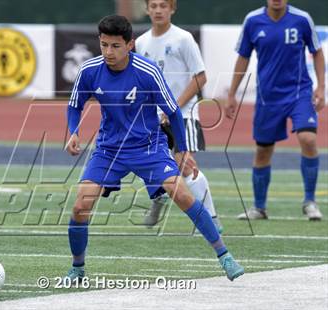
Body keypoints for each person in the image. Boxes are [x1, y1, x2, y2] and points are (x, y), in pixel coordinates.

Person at [65, 14, 244, 282]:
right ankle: (77, 267)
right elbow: (74, 104)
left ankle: (225, 255)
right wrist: (73, 132)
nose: (108, 52)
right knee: (80, 206)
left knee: (181, 194)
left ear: (130, 45)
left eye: (115, 46)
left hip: (148, 147)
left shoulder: (147, 71)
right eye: (103, 45)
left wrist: (181, 150)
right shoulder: (90, 70)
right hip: (108, 149)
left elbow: (172, 112)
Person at [226, 0, 325, 220]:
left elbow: (317, 52)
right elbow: (243, 57)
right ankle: (259, 208)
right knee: (263, 151)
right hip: (268, 97)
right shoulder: (252, 21)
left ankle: (310, 201)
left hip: (299, 92)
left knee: (308, 139)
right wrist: (232, 93)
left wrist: (321, 86)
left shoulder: (302, 19)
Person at [135, 0, 222, 232]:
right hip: (153, 118)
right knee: (150, 165)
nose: (158, 10)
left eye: (163, 5)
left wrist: (172, 106)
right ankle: (159, 197)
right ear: (146, 9)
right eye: (153, 6)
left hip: (183, 114)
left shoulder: (183, 39)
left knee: (186, 165)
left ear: (172, 9)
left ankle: (211, 218)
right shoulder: (141, 42)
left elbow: (200, 77)